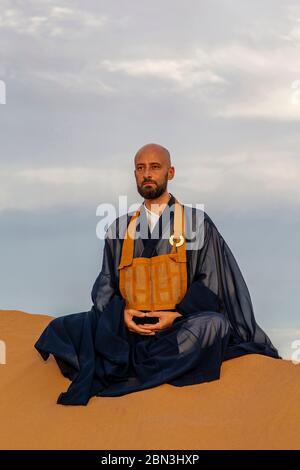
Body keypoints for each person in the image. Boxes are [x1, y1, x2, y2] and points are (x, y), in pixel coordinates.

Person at [35, 143, 280, 406]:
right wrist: (123, 314)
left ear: (170, 172)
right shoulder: (119, 228)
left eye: (154, 167)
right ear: (135, 174)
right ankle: (154, 363)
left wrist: (175, 316)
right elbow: (106, 285)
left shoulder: (195, 223)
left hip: (177, 326)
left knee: (214, 325)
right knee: (63, 327)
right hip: (129, 326)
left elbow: (211, 282)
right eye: (140, 168)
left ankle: (135, 366)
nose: (147, 174)